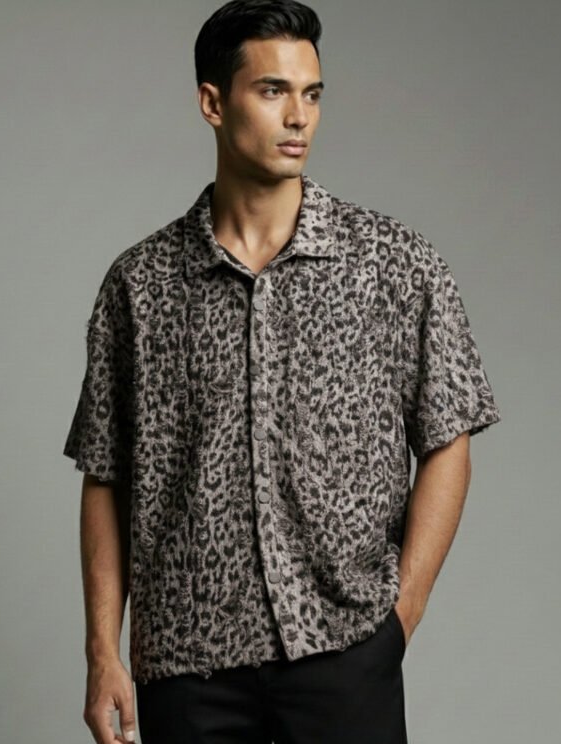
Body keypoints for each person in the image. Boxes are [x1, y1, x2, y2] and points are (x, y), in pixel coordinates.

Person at [62, 1, 502, 742]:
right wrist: (102, 652)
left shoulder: (393, 264)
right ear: (213, 102)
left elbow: (448, 437)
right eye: (272, 91)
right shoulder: (140, 285)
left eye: (312, 94)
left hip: (344, 650)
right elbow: (106, 477)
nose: (299, 116)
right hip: (187, 667)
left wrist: (401, 615)